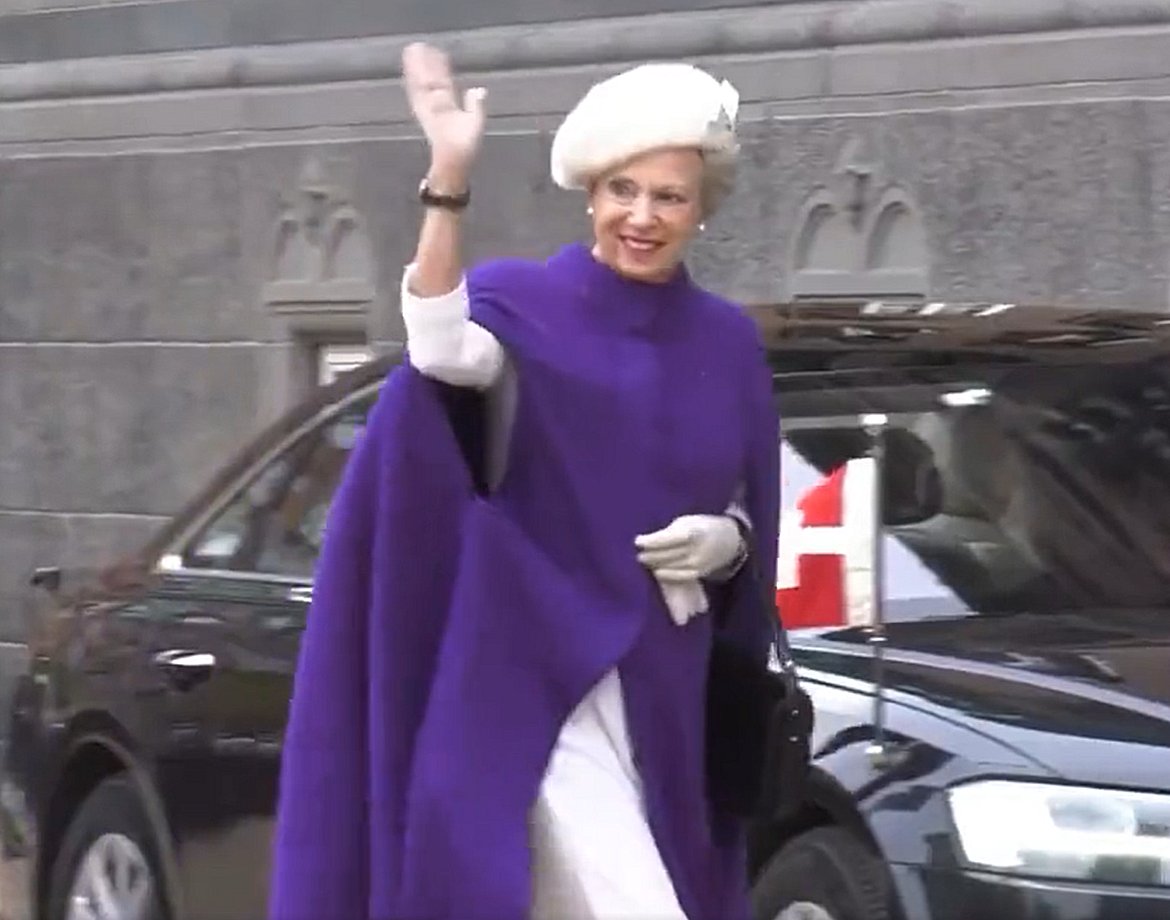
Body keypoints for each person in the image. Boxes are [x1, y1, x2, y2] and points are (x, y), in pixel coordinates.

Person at [268, 42, 781, 920]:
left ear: (704, 211)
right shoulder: (526, 306)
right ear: (591, 192)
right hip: (532, 684)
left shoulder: (726, 343)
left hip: (664, 691)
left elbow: (749, 507)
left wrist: (727, 545)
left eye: (669, 197)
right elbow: (438, 346)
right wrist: (449, 175)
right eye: (624, 190)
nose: (643, 217)